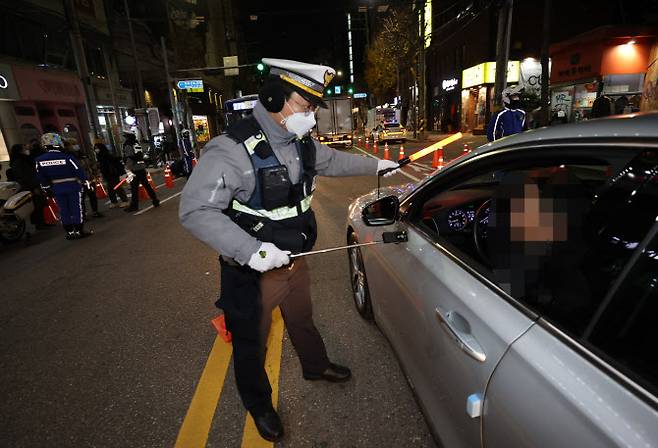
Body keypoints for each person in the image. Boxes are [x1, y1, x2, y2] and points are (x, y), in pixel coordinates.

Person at [179, 58, 400, 442]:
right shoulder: (231, 150)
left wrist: (379, 164)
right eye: (305, 105)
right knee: (251, 341)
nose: (311, 116)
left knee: (302, 319)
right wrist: (251, 251)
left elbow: (332, 160)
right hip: (251, 270)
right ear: (274, 97)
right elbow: (195, 209)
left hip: (295, 260)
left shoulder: (299, 143)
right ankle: (259, 404)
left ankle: (315, 366)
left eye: (315, 107)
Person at [35, 133, 93, 240]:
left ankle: (70, 232)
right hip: (73, 186)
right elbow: (78, 171)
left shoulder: (39, 160)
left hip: (56, 188)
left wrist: (46, 188)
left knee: (63, 210)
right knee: (76, 209)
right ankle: (79, 231)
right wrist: (86, 182)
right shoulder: (67, 157)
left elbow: (41, 176)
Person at [8, 143, 46, 227]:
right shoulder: (19, 161)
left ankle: (41, 223)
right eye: (24, 148)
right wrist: (34, 187)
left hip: (31, 185)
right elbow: (24, 176)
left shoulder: (23, 160)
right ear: (20, 150)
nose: (26, 149)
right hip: (29, 186)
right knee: (36, 205)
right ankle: (40, 224)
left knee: (38, 204)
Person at [66, 139, 104, 218]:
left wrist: (96, 174)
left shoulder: (83, 154)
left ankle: (95, 211)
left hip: (89, 179)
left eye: (76, 143)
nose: (75, 146)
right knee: (81, 199)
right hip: (78, 181)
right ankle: (82, 214)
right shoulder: (68, 157)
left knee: (92, 196)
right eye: (73, 144)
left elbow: (91, 165)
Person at [123, 143, 160, 212]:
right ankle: (155, 200)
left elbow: (129, 158)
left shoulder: (128, 146)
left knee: (134, 189)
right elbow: (140, 157)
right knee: (147, 186)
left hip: (134, 170)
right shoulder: (137, 144)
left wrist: (129, 169)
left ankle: (134, 205)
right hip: (141, 169)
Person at [94, 143, 129, 208]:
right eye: (95, 148)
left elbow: (116, 163)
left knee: (117, 187)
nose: (96, 149)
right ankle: (114, 202)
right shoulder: (99, 156)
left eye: (97, 148)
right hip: (107, 175)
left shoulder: (107, 155)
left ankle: (125, 201)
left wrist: (122, 173)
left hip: (113, 174)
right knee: (110, 189)